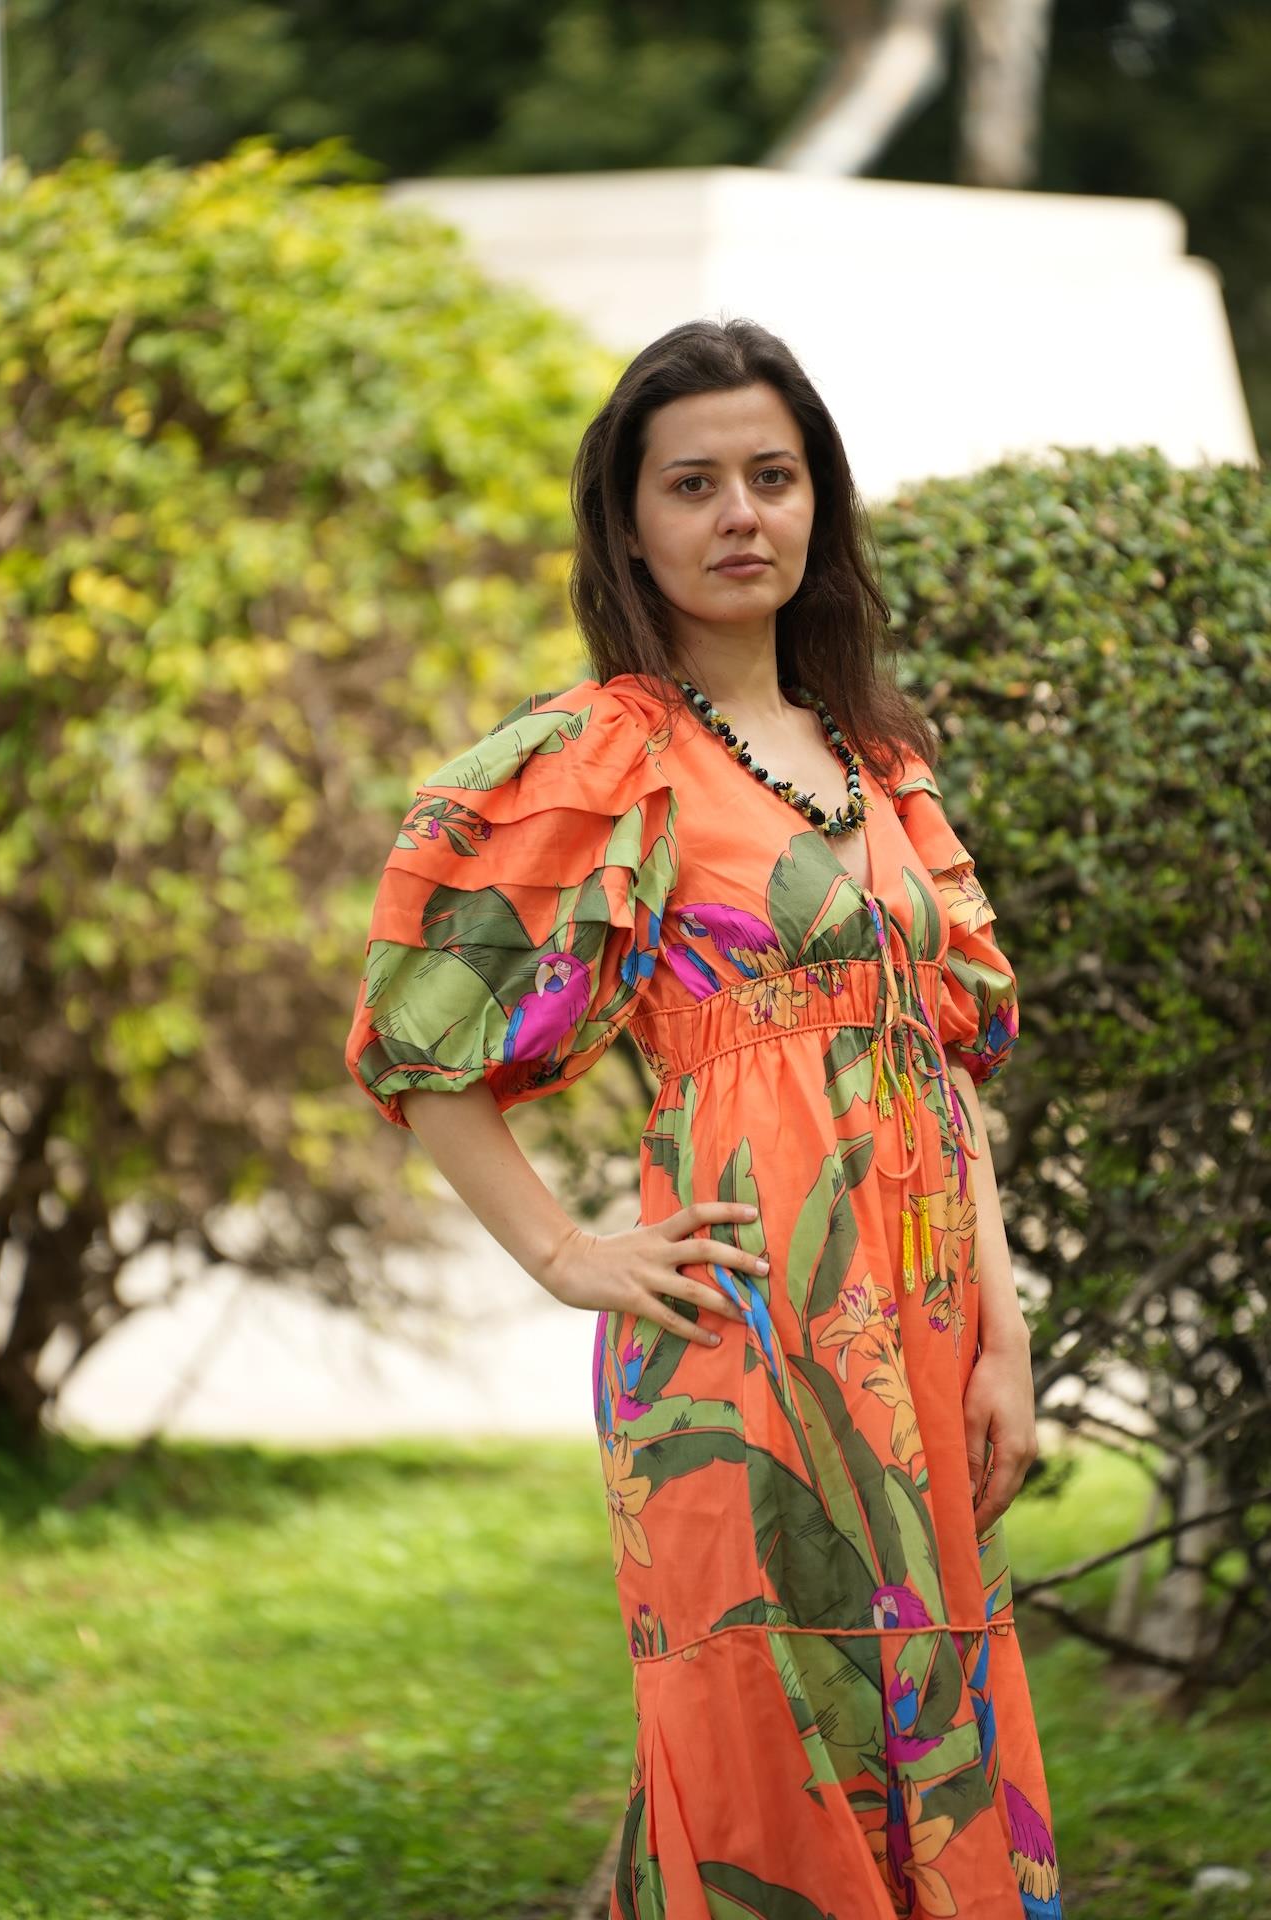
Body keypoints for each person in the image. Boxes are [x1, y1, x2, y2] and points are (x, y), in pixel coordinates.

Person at [344, 317, 1063, 1920]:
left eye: (773, 475)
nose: (742, 514)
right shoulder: (611, 761)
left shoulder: (882, 767)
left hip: (923, 1329)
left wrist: (1003, 1340)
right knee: (757, 1735)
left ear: (821, 506)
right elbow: (419, 1045)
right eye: (696, 484)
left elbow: (943, 1064)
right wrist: (564, 1256)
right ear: (632, 521)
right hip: (742, 1335)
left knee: (919, 1710)